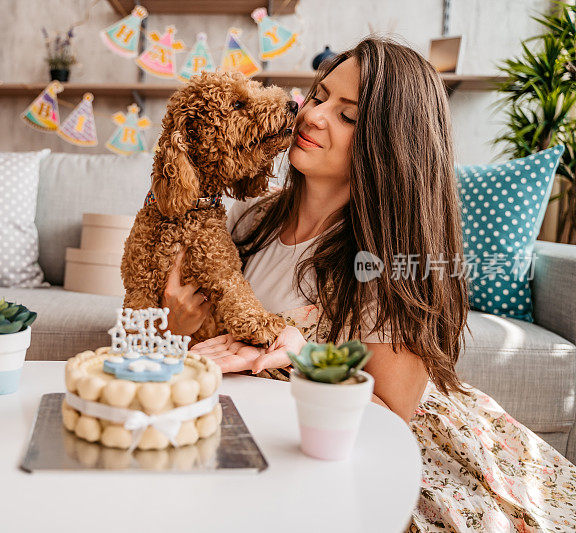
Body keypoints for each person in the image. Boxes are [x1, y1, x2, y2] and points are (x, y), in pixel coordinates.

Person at [162, 37, 576, 532]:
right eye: (319, 97)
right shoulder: (250, 217)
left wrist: (299, 357)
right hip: (268, 429)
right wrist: (174, 326)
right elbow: (208, 347)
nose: (312, 116)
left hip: (385, 445)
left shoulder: (389, 261)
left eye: (348, 116)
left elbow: (390, 416)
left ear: (389, 145)